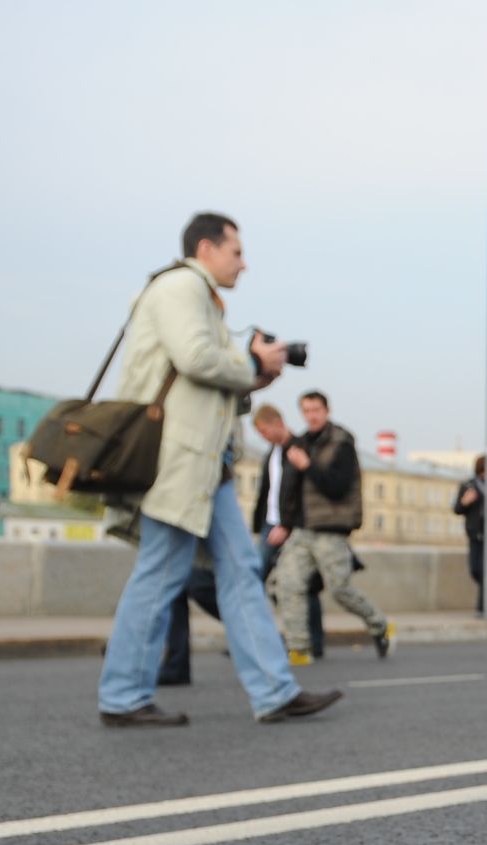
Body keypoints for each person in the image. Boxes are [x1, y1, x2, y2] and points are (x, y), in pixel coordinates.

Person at [96, 212, 339, 726]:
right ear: (206, 248)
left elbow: (204, 383)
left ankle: (274, 690)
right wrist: (250, 365)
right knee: (160, 574)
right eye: (237, 252)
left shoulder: (200, 296)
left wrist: (255, 379)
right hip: (179, 463)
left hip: (210, 468)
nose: (244, 263)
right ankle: (121, 695)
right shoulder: (181, 286)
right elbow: (196, 359)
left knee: (242, 573)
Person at [274, 390, 393, 662]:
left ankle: (379, 625)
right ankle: (299, 649)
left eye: (316, 410)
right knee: (287, 585)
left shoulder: (342, 442)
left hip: (331, 529)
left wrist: (308, 466)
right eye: (306, 411)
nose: (311, 416)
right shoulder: (301, 442)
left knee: (340, 589)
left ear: (326, 411)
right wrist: (285, 523)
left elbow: (337, 487)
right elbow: (289, 489)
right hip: (303, 530)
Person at [249, 404, 325, 658]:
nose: (263, 436)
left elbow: (302, 493)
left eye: (264, 431)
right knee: (260, 581)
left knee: (303, 583)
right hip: (270, 524)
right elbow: (268, 492)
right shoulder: (271, 452)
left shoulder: (299, 447)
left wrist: (288, 525)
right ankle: (263, 638)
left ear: (277, 423)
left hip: (289, 526)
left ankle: (313, 640)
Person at [454, 455, 487, 615]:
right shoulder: (468, 485)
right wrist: (465, 502)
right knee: (475, 569)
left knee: (485, 571)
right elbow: (457, 509)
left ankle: (482, 607)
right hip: (474, 534)